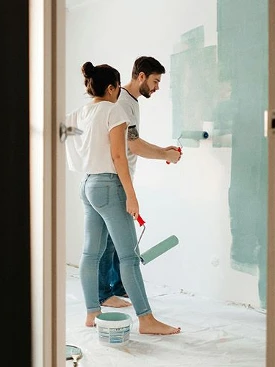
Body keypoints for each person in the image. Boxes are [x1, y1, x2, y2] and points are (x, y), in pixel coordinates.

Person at [65, 61, 180, 335]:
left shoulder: (81, 112)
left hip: (87, 184)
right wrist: (132, 196)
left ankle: (92, 312)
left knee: (90, 253)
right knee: (129, 256)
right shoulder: (113, 110)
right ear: (112, 87)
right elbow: (119, 156)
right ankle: (147, 320)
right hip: (108, 185)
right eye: (117, 89)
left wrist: (84, 154)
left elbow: (65, 134)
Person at [98, 56, 182, 308]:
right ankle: (104, 293)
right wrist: (165, 155)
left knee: (115, 239)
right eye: (155, 81)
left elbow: (133, 141)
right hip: (113, 180)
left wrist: (162, 150)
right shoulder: (123, 102)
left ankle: (118, 286)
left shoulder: (130, 102)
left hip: (118, 179)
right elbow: (132, 144)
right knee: (109, 240)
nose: (157, 87)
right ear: (141, 76)